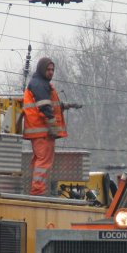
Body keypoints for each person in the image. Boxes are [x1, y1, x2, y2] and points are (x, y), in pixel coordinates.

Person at [22, 57, 80, 196]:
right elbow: (45, 108)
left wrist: (65, 106)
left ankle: (35, 189)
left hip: (39, 131)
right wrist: (54, 129)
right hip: (43, 131)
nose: (51, 72)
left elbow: (48, 105)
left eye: (52, 70)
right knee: (43, 162)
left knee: (39, 161)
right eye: (48, 69)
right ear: (42, 69)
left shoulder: (39, 84)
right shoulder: (40, 84)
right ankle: (37, 191)